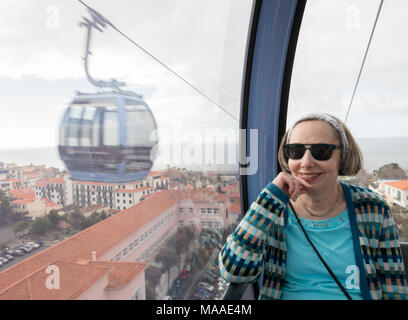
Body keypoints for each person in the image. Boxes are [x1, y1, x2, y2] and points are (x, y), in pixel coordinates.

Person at [219, 113, 408, 300]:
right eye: (295, 151)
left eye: (321, 151)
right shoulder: (274, 211)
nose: (306, 162)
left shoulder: (372, 208)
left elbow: (394, 288)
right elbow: (234, 271)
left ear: (342, 156)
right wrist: (268, 200)